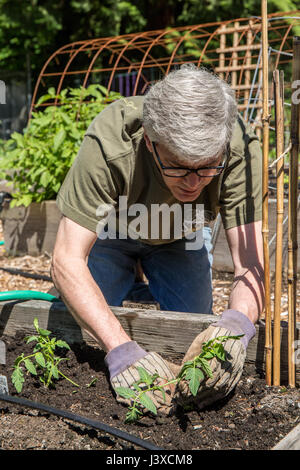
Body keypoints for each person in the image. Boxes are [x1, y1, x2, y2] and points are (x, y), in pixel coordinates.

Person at [51, 64, 264, 414]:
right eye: (178, 166)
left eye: (207, 167)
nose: (194, 183)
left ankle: (139, 281)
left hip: (183, 235)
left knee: (192, 330)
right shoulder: (112, 140)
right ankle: (129, 275)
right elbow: (66, 259)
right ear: (150, 142)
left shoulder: (238, 148)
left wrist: (236, 326)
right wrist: (119, 348)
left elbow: (251, 263)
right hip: (114, 231)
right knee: (76, 330)